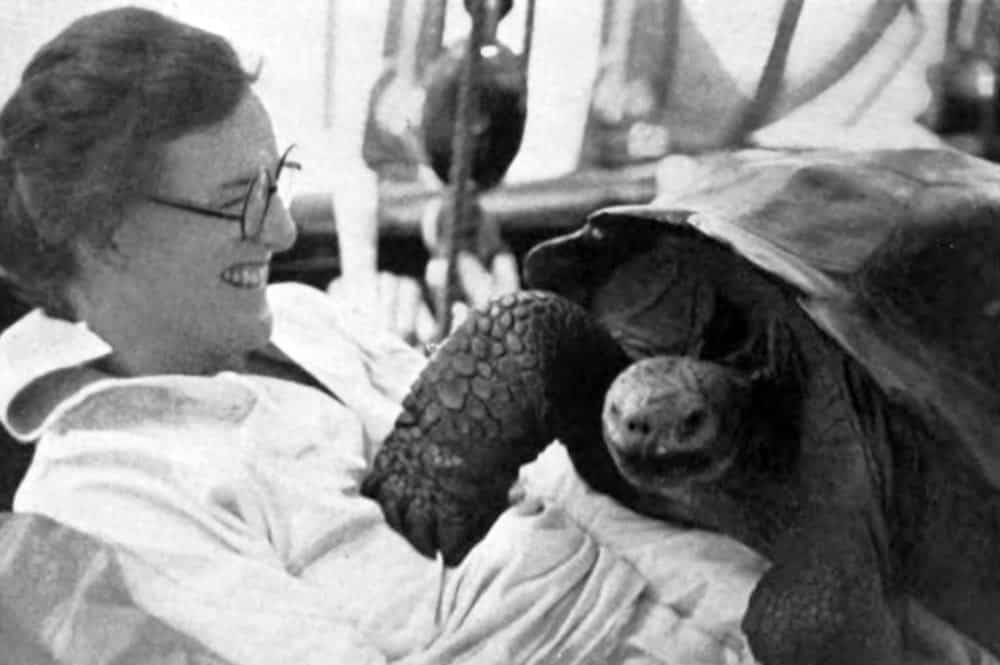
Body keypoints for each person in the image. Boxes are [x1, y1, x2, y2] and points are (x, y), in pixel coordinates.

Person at [0, 8, 770, 665]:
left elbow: (546, 484)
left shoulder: (303, 317)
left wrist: (737, 602)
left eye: (279, 179)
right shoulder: (106, 491)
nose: (282, 228)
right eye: (239, 201)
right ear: (108, 235)